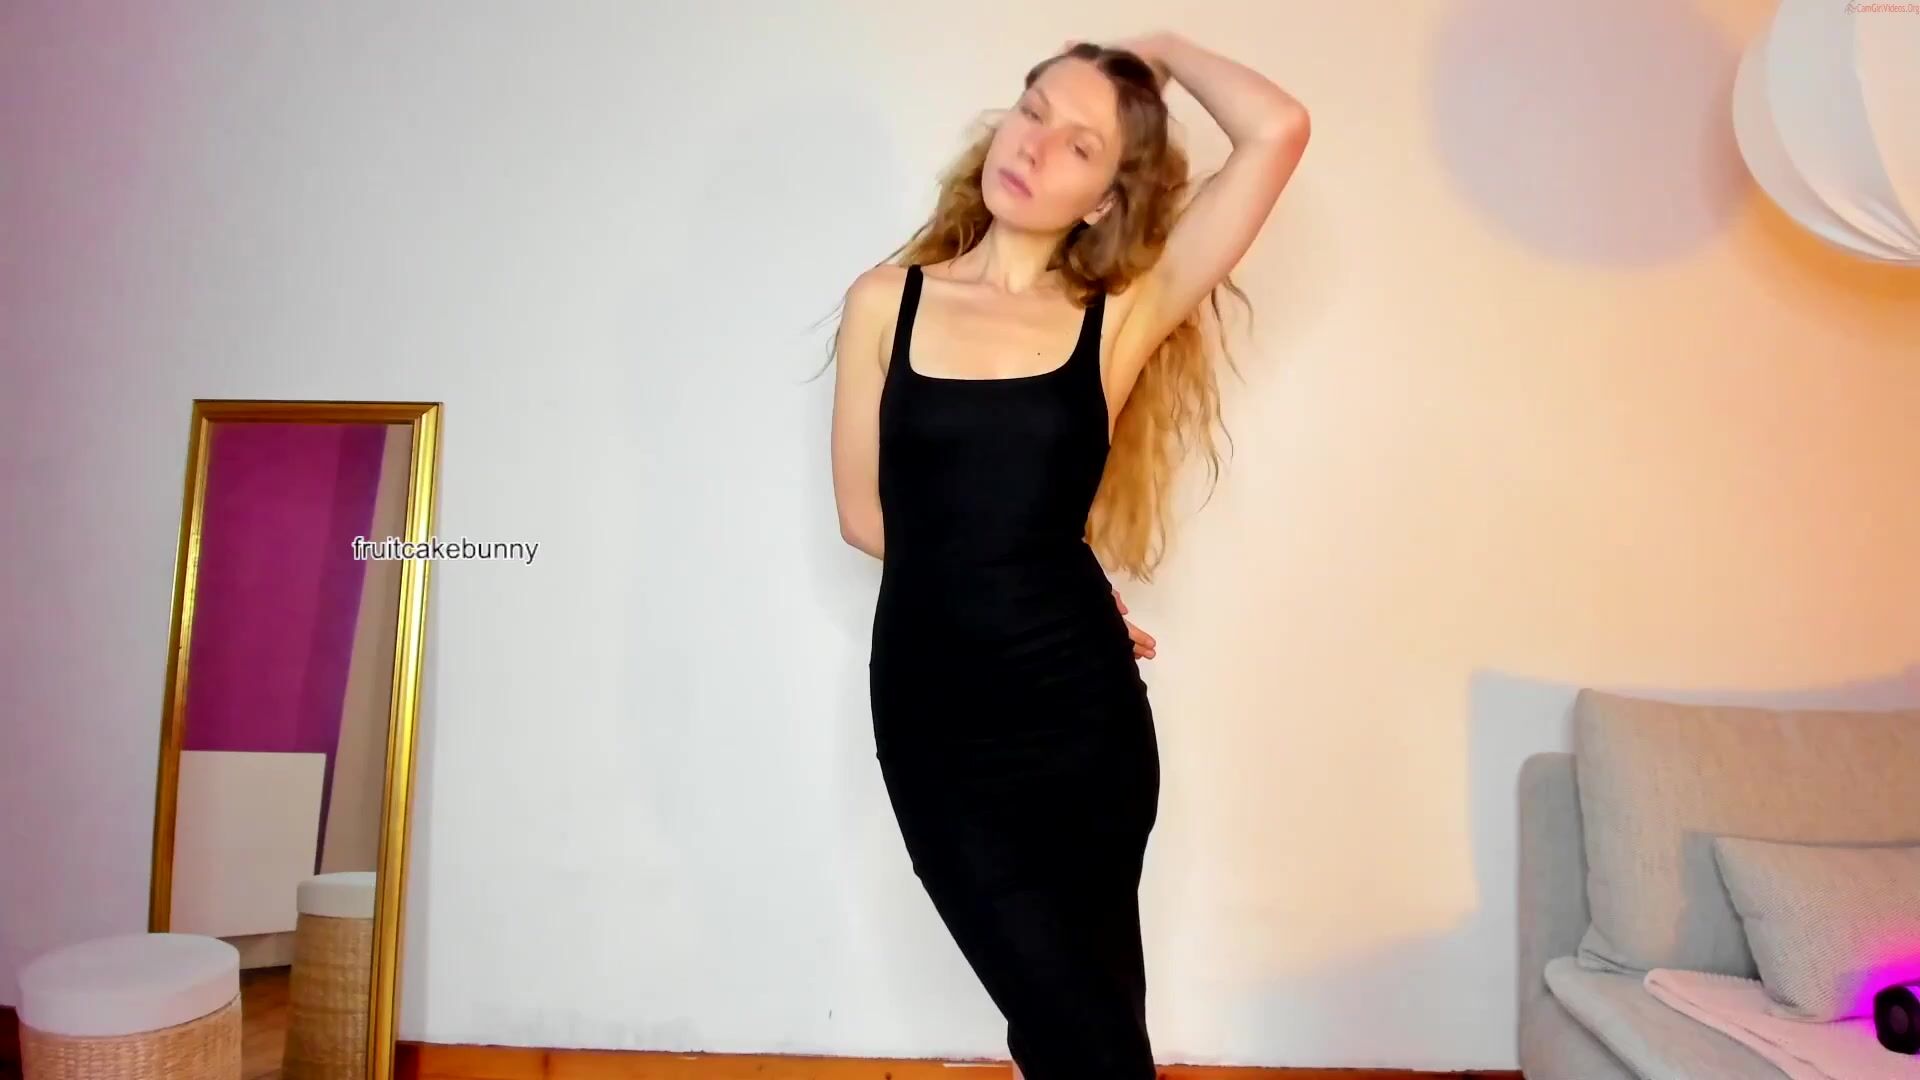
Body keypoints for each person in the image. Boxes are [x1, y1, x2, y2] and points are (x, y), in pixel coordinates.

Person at [828, 32, 1308, 1079]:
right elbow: (866, 518)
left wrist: (1162, 48)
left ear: (1105, 201)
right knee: (1071, 1020)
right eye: (1034, 108)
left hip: (1080, 717)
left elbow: (1277, 131)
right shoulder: (886, 301)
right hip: (936, 718)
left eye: (1081, 145)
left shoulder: (1120, 314)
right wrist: (1000, 578)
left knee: (1085, 1024)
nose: (1035, 145)